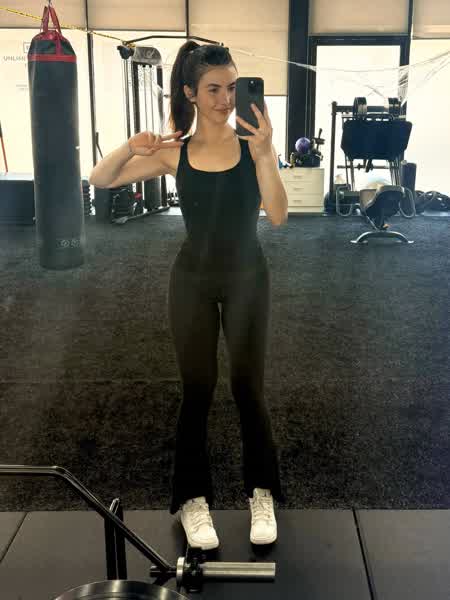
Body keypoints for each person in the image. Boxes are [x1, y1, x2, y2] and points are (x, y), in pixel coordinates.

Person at [89, 41, 287, 550]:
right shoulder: (174, 152)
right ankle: (193, 500)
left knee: (248, 388)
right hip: (192, 281)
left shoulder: (254, 146)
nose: (226, 99)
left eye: (232, 88)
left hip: (247, 278)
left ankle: (261, 492)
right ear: (191, 94)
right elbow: (100, 179)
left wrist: (265, 153)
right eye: (214, 89)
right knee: (197, 390)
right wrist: (131, 147)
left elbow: (279, 214)